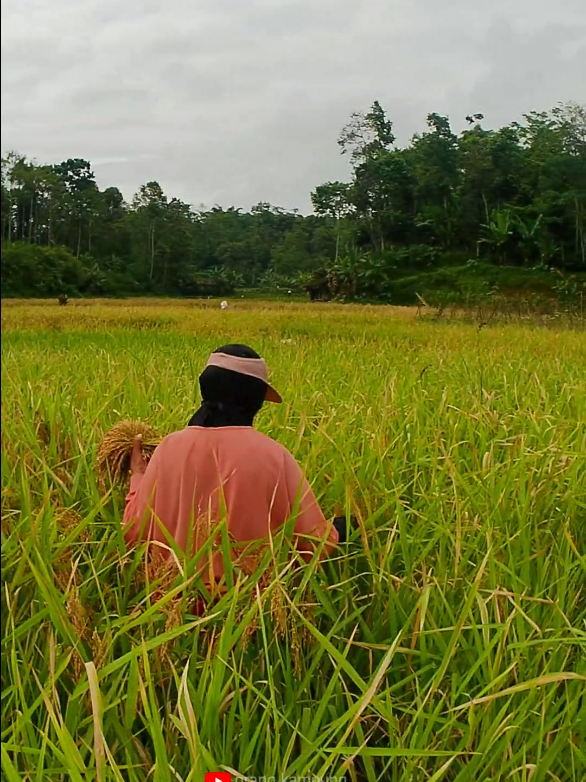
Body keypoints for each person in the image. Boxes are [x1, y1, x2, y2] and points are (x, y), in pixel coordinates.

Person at [122, 344, 339, 601]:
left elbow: (133, 531)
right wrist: (340, 529)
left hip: (171, 611)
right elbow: (314, 543)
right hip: (248, 614)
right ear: (256, 402)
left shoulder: (168, 448)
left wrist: (137, 474)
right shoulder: (273, 456)